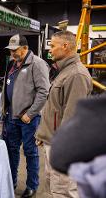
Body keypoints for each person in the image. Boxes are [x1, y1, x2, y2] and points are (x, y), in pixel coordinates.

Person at [35, 30, 93, 198]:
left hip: (63, 148)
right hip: (53, 142)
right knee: (54, 189)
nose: (50, 50)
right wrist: (43, 134)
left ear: (65, 46)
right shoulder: (64, 71)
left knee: (63, 191)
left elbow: (72, 118)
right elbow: (55, 108)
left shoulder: (76, 75)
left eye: (52, 46)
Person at [1, 34, 50, 198]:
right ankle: (11, 181)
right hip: (11, 117)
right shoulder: (12, 64)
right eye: (11, 50)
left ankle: (32, 186)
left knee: (30, 152)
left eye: (15, 50)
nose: (12, 53)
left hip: (28, 118)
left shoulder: (37, 63)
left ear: (25, 48)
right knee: (11, 151)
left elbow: (44, 92)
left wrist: (30, 114)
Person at [50, 94, 106, 198]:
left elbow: (60, 154)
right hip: (58, 138)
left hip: (63, 142)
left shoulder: (78, 77)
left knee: (63, 189)